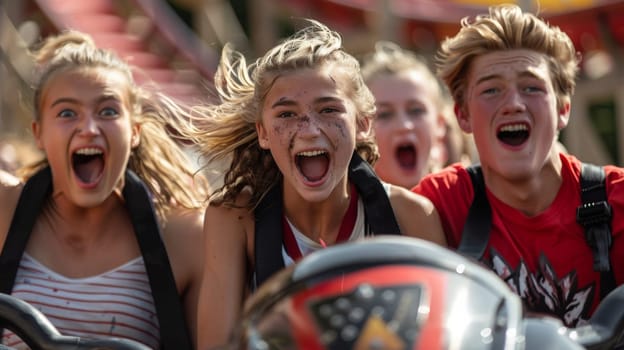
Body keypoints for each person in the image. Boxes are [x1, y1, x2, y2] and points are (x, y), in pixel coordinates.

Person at [189, 19, 446, 349]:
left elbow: (441, 338)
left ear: (363, 124)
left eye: (329, 109)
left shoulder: (413, 215)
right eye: (286, 114)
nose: (309, 129)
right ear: (263, 132)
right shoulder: (235, 219)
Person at [413, 4, 624, 328]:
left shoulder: (618, 200)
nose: (513, 103)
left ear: (563, 109)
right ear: (463, 116)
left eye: (532, 87)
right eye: (491, 89)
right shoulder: (439, 203)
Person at [0, 30, 208, 349]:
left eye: (108, 111)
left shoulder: (184, 236)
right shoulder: (4, 208)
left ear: (134, 132)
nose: (89, 129)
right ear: (38, 134)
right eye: (67, 113)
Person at [360, 41, 450, 189]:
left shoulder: (466, 204)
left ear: (439, 124)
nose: (404, 125)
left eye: (416, 110)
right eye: (384, 114)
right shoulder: (347, 210)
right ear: (361, 130)